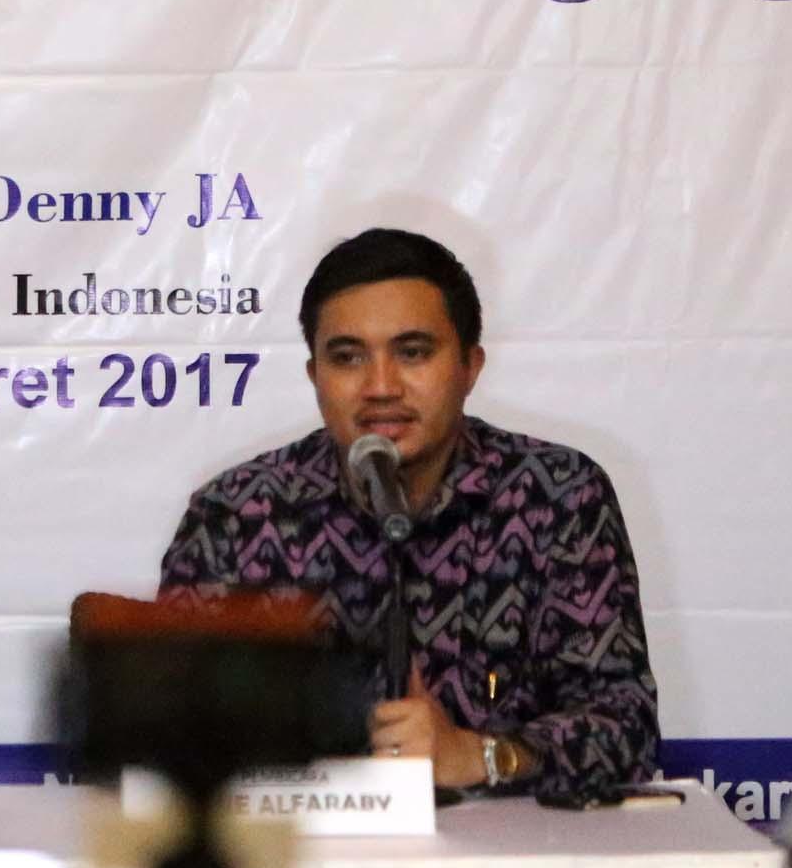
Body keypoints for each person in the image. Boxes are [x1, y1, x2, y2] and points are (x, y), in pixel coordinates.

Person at [158, 228, 658, 798]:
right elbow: (163, 739)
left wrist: (482, 755)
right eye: (347, 357)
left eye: (413, 352)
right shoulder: (237, 514)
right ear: (314, 376)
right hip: (295, 843)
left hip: (505, 848)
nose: (380, 387)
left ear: (470, 367)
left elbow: (626, 727)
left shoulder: (557, 497)